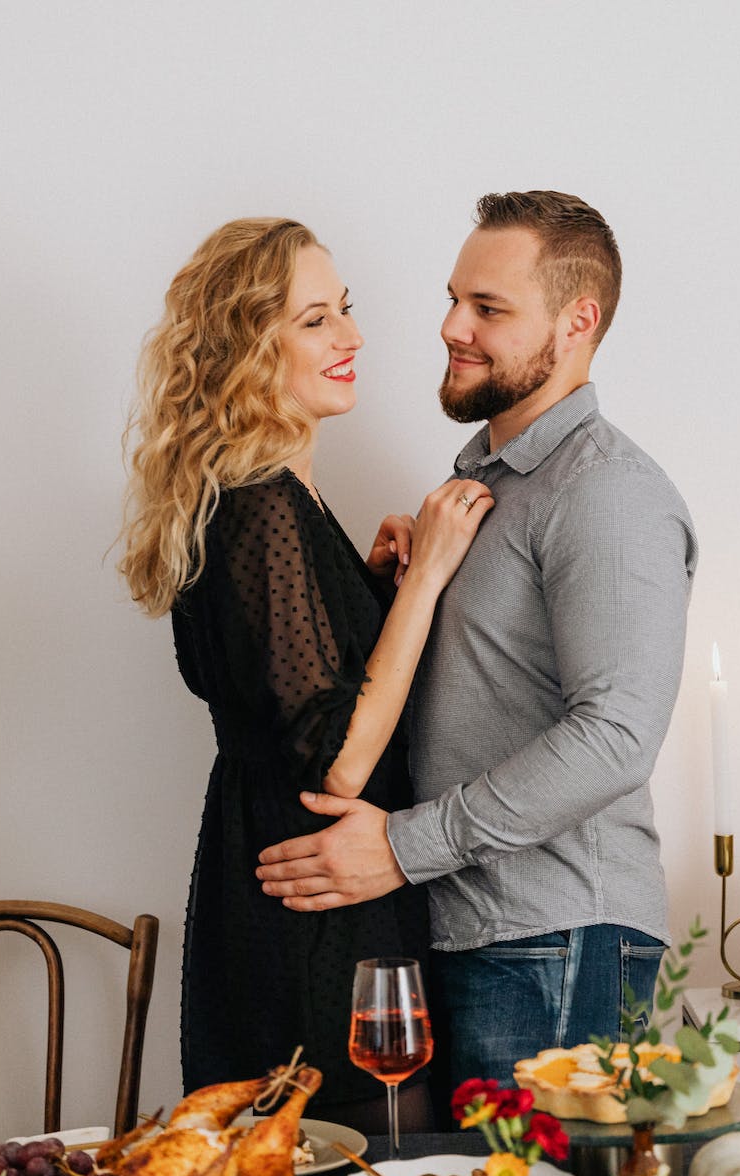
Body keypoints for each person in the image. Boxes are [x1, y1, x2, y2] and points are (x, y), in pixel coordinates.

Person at [256, 191, 699, 1104]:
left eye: (489, 309)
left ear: (578, 323)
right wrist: (387, 590)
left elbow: (616, 735)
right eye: (453, 298)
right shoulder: (480, 483)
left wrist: (406, 848)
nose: (452, 326)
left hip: (554, 942)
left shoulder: (607, 493)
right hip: (465, 934)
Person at [118, 217, 493, 1129]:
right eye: (316, 319)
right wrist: (429, 579)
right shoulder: (262, 509)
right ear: (252, 350)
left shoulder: (271, 500)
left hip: (287, 896)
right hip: (314, 919)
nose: (352, 338)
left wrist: (370, 591)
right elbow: (336, 760)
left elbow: (281, 689)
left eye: (345, 311)